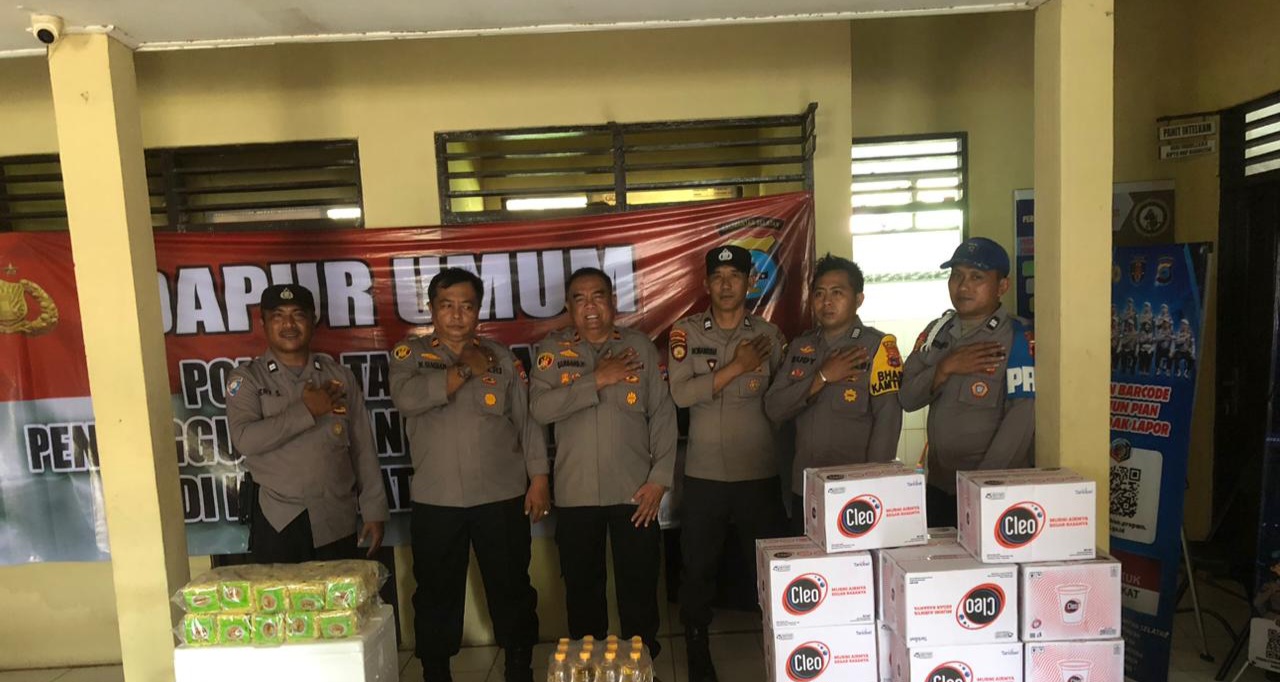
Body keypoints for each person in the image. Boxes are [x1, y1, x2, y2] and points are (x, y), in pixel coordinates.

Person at [388, 268, 547, 682]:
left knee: (512, 587)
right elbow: (406, 399)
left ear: (478, 310)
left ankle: (518, 666)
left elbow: (526, 421)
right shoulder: (409, 355)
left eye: (467, 306)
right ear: (431, 309)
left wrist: (539, 478)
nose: (457, 315)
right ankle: (436, 671)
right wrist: (462, 371)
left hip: (501, 495)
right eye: (447, 306)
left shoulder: (502, 357)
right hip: (437, 499)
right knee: (436, 592)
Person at [529, 267, 677, 663]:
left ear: (612, 301)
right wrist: (595, 380)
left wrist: (660, 480)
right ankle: (588, 669)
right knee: (582, 593)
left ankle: (642, 667)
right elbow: (539, 409)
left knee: (639, 590)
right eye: (579, 299)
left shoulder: (639, 346)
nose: (590, 306)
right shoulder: (552, 351)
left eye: (598, 296)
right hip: (575, 493)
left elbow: (663, 416)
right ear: (568, 307)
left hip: (636, 493)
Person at [668, 245, 788, 682]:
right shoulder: (685, 333)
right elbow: (681, 394)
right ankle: (697, 648)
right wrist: (737, 367)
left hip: (759, 471)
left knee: (768, 568)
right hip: (705, 475)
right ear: (706, 284)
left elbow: (782, 402)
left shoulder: (769, 336)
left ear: (749, 282)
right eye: (717, 277)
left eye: (735, 276)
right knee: (698, 568)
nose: (725, 284)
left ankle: (782, 642)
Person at [226, 283, 388, 564]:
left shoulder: (339, 376)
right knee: (282, 593)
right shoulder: (248, 379)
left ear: (313, 320)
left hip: (335, 518)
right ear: (263, 324)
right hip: (279, 520)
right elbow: (245, 440)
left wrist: (374, 510)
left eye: (298, 315)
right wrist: (306, 411)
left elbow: (362, 447)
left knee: (340, 593)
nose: (288, 324)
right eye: (278, 316)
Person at [899, 237, 1035, 528]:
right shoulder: (936, 332)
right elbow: (907, 398)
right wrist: (944, 368)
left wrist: (981, 486)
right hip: (940, 485)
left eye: (976, 277)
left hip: (992, 491)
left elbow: (1020, 421)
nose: (963, 286)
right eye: (957, 275)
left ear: (1002, 286)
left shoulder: (1017, 338)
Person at [764, 254, 903, 534]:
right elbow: (774, 408)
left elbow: (888, 424)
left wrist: (872, 485)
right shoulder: (800, 347)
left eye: (837, 293)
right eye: (819, 294)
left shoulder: (878, 347)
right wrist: (822, 377)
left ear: (858, 299)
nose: (826, 302)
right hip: (805, 486)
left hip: (855, 490)